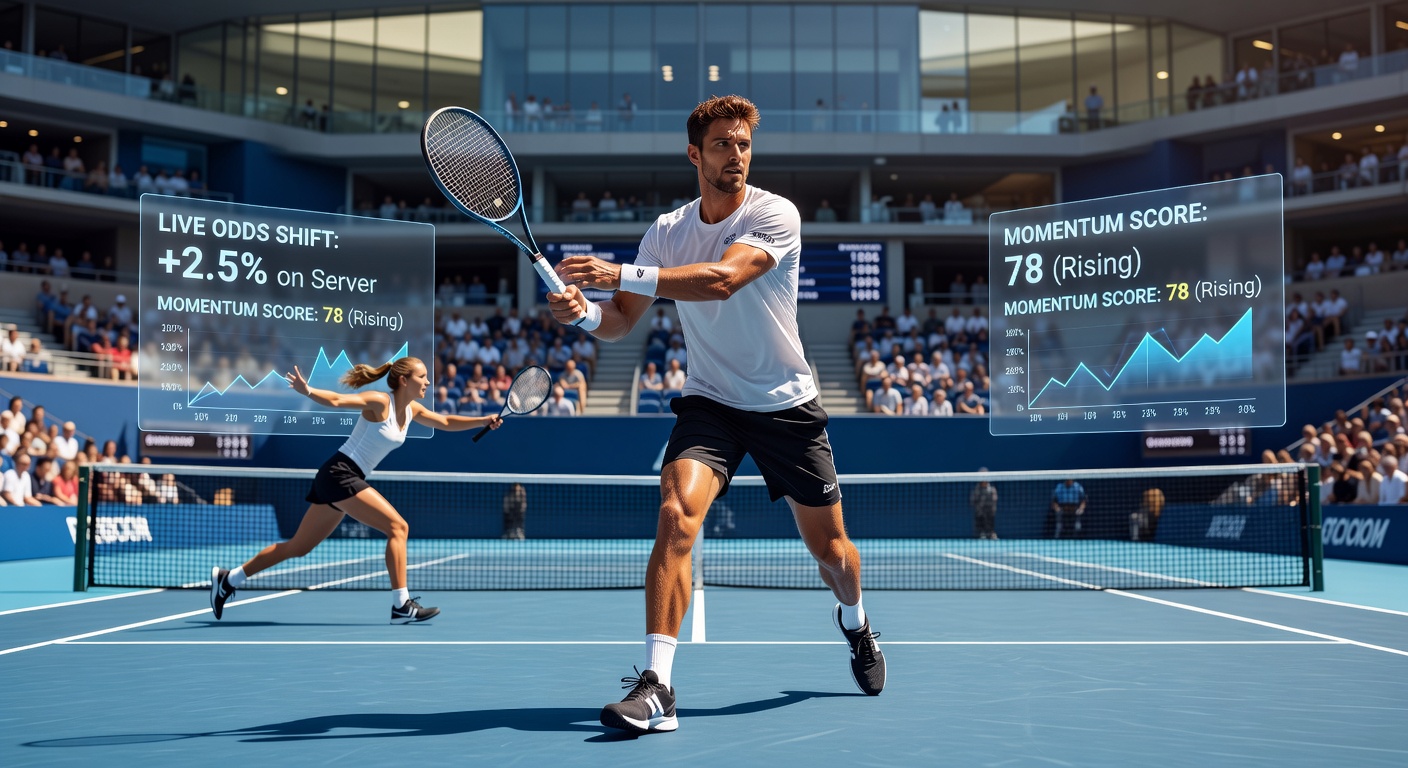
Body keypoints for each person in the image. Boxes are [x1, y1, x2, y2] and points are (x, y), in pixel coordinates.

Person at [547, 94, 886, 734]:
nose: (736, 155)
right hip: (710, 403)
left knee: (834, 553)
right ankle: (658, 689)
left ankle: (856, 623)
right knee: (675, 513)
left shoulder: (775, 214)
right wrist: (584, 314)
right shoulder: (666, 231)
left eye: (744, 144)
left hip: (786, 406)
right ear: (694, 154)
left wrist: (619, 270)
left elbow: (725, 279)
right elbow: (620, 321)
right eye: (724, 144)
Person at [208, 357, 502, 623]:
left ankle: (228, 578)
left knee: (298, 547)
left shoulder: (412, 410)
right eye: (422, 376)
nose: (427, 382)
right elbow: (337, 400)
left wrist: (484, 421)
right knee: (398, 527)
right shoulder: (380, 402)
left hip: (342, 477)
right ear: (403, 380)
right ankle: (401, 605)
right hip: (340, 473)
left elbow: (446, 421)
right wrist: (308, 391)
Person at [969, 470, 998, 540]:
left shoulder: (991, 489)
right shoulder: (977, 489)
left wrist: (993, 509)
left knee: (990, 525)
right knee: (979, 527)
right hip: (980, 512)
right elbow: (972, 500)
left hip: (989, 512)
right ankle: (981, 535)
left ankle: (991, 534)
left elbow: (994, 499)